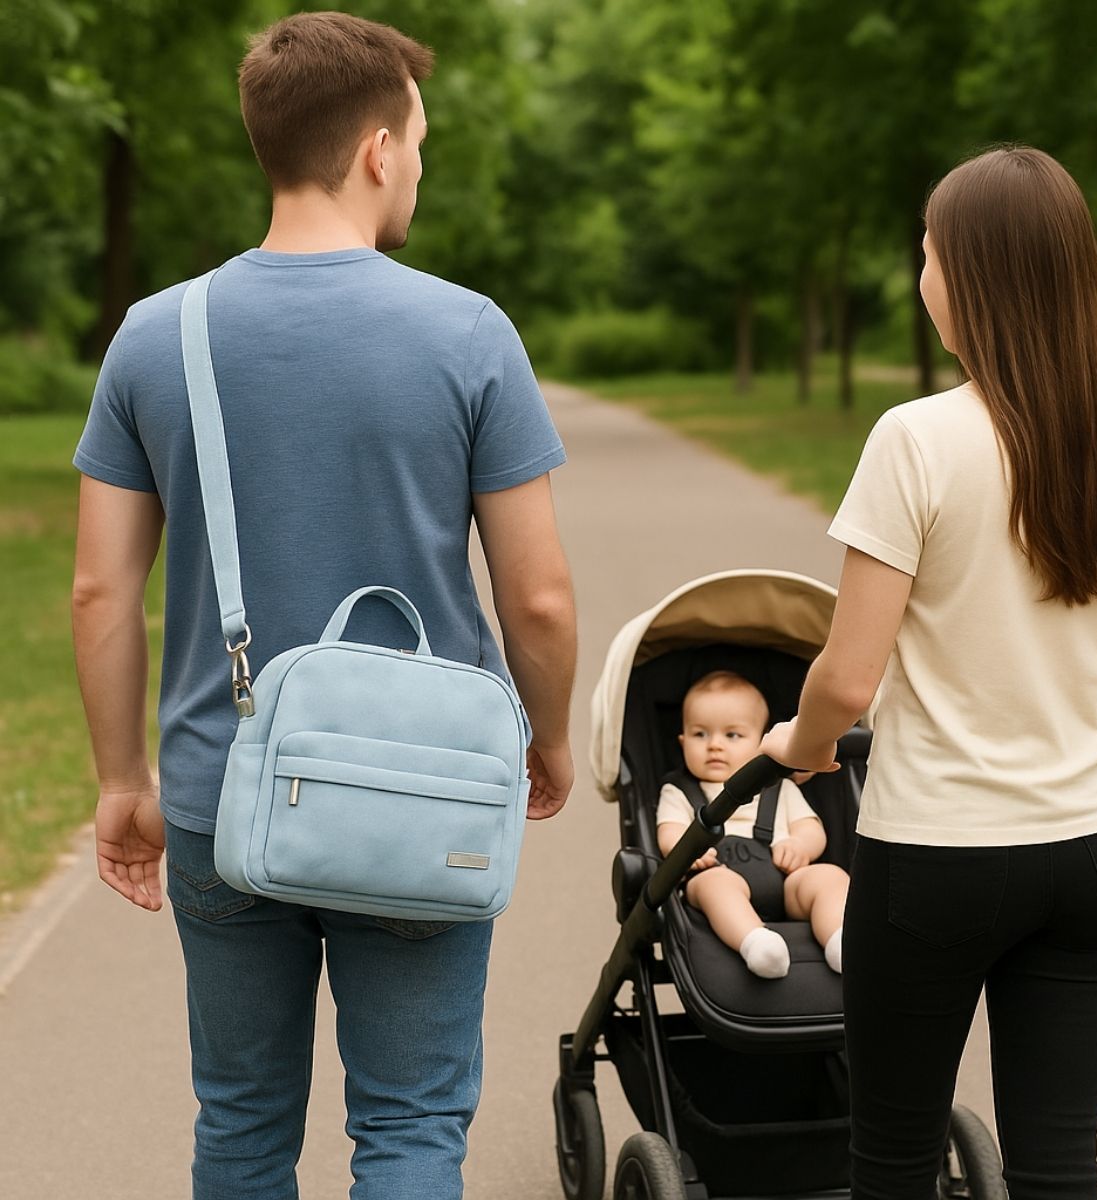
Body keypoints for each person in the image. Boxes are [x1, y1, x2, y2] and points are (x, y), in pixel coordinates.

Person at [70, 12, 577, 1200]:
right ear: (378, 150)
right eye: (421, 144)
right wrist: (547, 736)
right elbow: (541, 598)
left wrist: (121, 780)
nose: (419, 168)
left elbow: (100, 587)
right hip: (422, 791)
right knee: (409, 1126)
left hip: (221, 794)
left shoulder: (155, 336)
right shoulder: (468, 332)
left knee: (243, 1125)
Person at [760, 145, 1097, 1200]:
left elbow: (848, 679)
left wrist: (801, 747)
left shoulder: (916, 439)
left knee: (895, 1161)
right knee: (1059, 1167)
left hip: (938, 856)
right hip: (1096, 850)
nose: (921, 276)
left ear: (972, 277)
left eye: (928, 254)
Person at [657, 671, 848, 978]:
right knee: (714, 886)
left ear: (762, 742)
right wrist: (687, 850)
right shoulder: (679, 791)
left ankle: (839, 939)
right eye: (700, 734)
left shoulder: (781, 788)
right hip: (717, 872)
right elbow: (669, 830)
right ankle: (757, 944)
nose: (715, 745)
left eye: (732, 735)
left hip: (786, 880)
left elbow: (810, 828)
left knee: (830, 876)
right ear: (682, 742)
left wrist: (799, 844)